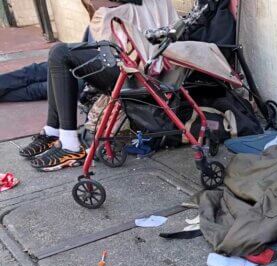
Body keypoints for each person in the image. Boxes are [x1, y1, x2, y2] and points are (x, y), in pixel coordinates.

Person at [18, 0, 176, 171]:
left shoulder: (117, 11)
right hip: (137, 68)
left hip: (136, 75)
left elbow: (107, 48)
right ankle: (52, 130)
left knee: (59, 54)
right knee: (56, 55)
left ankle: (69, 144)